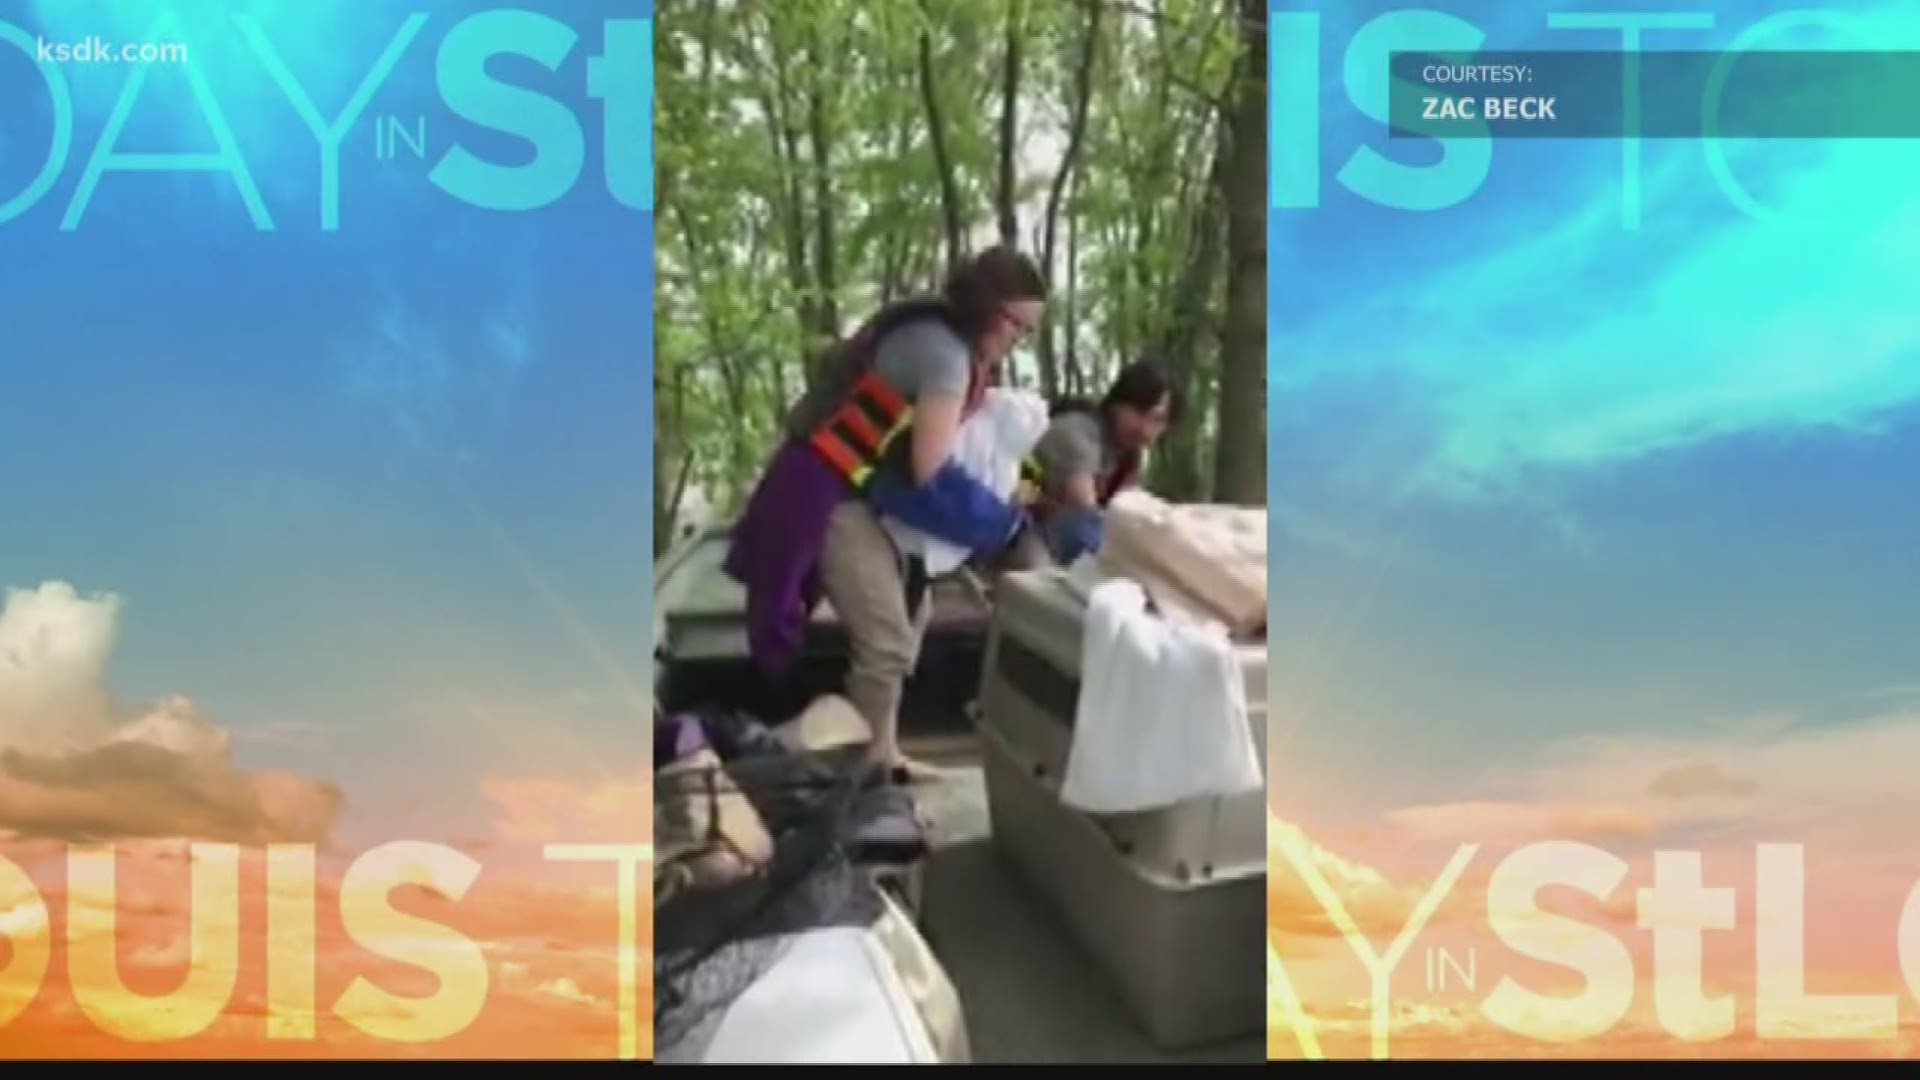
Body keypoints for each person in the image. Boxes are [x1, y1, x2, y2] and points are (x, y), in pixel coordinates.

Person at [724, 245, 1046, 779]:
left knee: (911, 618)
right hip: (824, 493)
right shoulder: (945, 357)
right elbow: (926, 469)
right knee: (887, 637)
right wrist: (996, 520)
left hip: (850, 487)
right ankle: (861, 772)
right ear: (989, 310)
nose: (1019, 341)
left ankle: (881, 749)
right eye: (1019, 327)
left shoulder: (932, 332)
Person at [1025, 359, 1180, 563]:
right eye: (1140, 413)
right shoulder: (1076, 432)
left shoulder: (1129, 458)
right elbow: (1084, 512)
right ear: (1118, 403)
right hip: (1022, 531)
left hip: (1060, 542)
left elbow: (1126, 518)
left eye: (1158, 420)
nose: (1146, 429)